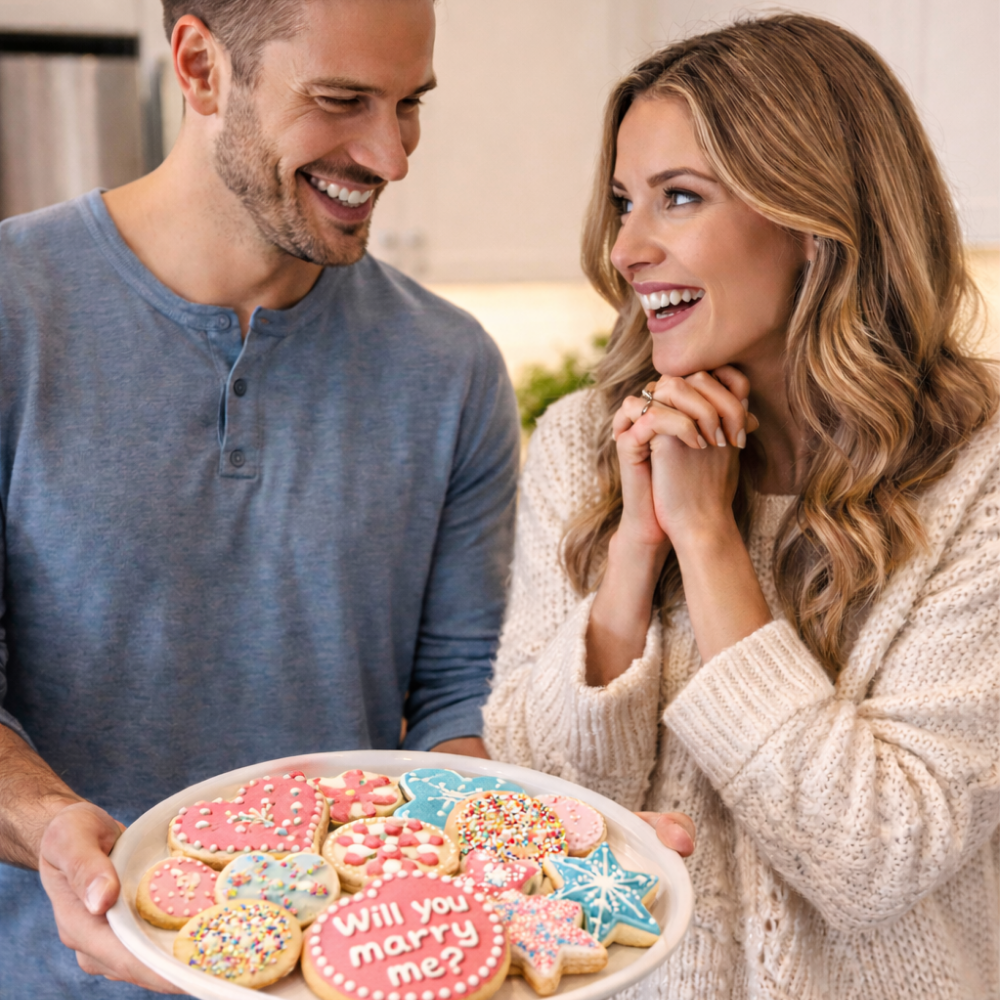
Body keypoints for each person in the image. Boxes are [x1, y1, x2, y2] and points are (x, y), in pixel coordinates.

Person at [483, 13, 998, 1000]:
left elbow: (874, 857)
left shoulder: (978, 474)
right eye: (624, 202)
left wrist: (708, 536)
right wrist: (635, 548)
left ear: (814, 221)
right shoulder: (585, 445)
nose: (626, 248)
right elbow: (541, 808)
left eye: (678, 197)